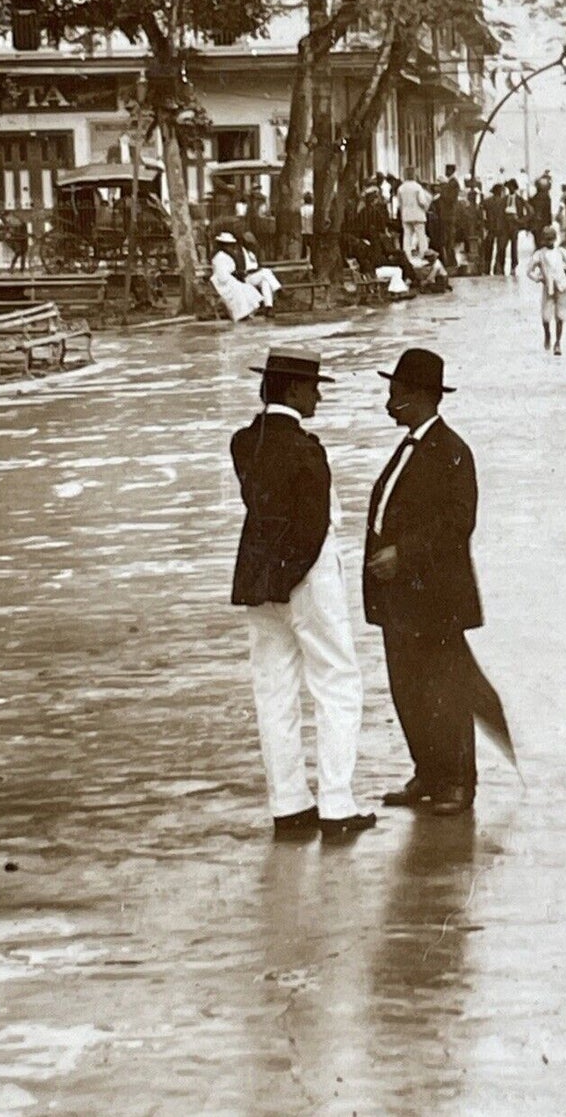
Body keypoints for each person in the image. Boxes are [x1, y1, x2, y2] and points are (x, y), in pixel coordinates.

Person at [231, 348, 373, 842]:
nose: (317, 396)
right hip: (308, 575)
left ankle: (288, 805)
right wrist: (293, 577)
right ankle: (337, 804)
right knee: (336, 680)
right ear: (292, 390)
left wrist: (272, 578)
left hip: (257, 575)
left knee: (273, 686)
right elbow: (313, 526)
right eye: (313, 388)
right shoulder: (307, 449)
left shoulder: (244, 443)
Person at [365, 348, 501, 817]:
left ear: (419, 397)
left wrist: (403, 554)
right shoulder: (411, 447)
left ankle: (459, 783)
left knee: (446, 689)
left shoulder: (452, 451)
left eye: (395, 393)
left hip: (436, 595)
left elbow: (459, 522)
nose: (389, 402)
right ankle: (427, 772)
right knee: (408, 689)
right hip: (401, 597)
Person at [525, 225, 566, 355]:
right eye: (547, 239)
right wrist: (538, 278)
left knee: (560, 316)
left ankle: (558, 343)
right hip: (548, 288)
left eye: (551, 239)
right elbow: (529, 271)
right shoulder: (539, 254)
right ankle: (547, 334)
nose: (549, 242)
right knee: (545, 317)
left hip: (561, 286)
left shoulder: (560, 252)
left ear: (555, 239)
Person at [209, 231, 262, 323]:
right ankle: (240, 314)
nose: (229, 247)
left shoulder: (226, 255)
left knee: (247, 288)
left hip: (229, 279)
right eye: (227, 245)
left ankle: (246, 312)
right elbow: (222, 275)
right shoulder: (219, 257)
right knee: (238, 291)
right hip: (223, 282)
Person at [398, 172, 431, 259]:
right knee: (421, 236)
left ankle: (407, 255)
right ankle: (423, 254)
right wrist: (426, 208)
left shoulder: (401, 188)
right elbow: (422, 201)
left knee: (407, 236)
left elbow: (400, 203)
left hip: (406, 215)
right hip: (418, 215)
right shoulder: (417, 187)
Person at [299, 192, 315, 260]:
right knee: (314, 252)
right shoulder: (314, 209)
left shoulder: (301, 209)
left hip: (303, 232)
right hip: (312, 232)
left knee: (303, 252)